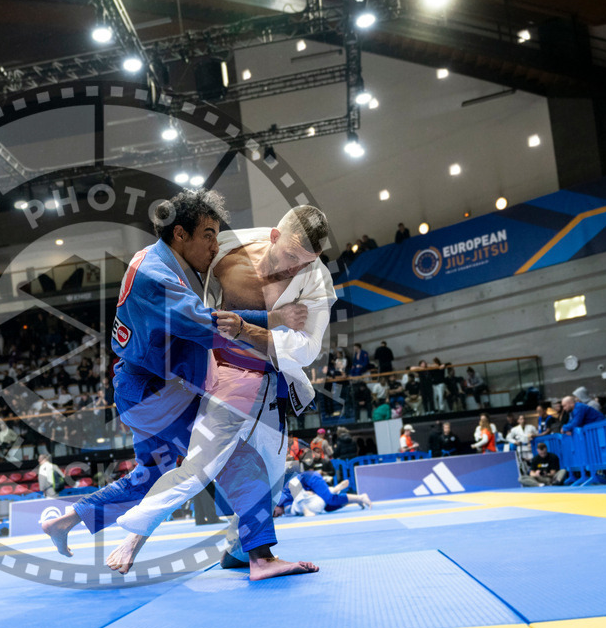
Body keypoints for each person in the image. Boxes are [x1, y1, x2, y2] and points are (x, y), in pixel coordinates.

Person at [107, 204, 335, 578]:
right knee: (200, 464)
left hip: (269, 381)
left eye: (308, 261)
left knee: (270, 482)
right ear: (275, 237)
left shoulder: (317, 282)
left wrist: (248, 330)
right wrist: (259, 323)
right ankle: (134, 536)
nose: (297, 268)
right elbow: (191, 299)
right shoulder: (228, 247)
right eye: (292, 256)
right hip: (217, 375)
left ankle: (240, 552)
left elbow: (309, 349)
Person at [40, 189, 250, 559]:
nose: (215, 245)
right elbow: (211, 328)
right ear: (180, 234)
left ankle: (69, 519)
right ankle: (248, 543)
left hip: (142, 388)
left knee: (152, 475)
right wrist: (275, 324)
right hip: (155, 391)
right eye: (208, 234)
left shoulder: (151, 259)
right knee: (228, 447)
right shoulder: (155, 276)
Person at [278, 471, 370, 517]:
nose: (276, 515)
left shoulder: (281, 498)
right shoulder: (285, 509)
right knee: (328, 507)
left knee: (330, 499)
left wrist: (305, 509)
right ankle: (355, 499)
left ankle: (361, 497)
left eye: (274, 513)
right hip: (308, 487)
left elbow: (294, 483)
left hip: (310, 479)